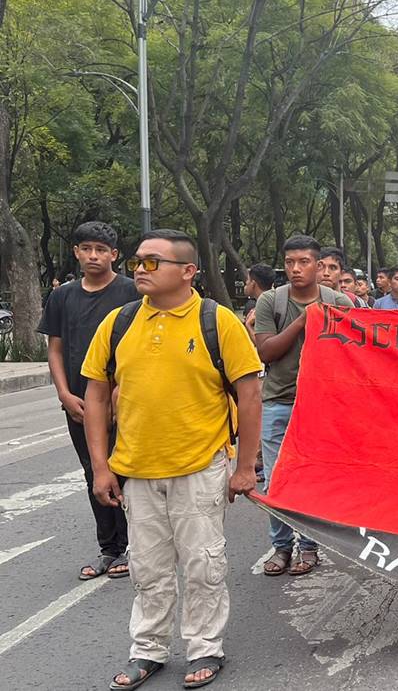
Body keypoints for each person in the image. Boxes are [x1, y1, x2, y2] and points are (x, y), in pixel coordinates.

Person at [82, 229, 262, 689]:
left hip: (200, 467)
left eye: (153, 261)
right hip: (137, 471)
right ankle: (148, 649)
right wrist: (102, 467)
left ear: (187, 271)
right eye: (139, 261)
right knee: (148, 568)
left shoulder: (217, 322)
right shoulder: (119, 322)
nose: (141, 269)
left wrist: (245, 466)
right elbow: (97, 396)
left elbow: (249, 394)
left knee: (203, 565)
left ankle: (205, 647)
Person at [38, 221, 141, 581]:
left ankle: (135, 546)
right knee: (93, 472)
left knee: (127, 472)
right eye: (87, 249)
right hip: (79, 403)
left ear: (114, 255)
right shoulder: (62, 296)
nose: (93, 256)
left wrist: (117, 396)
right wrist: (65, 395)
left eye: (101, 250)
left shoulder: (132, 292)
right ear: (76, 252)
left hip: (124, 400)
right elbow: (55, 348)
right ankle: (109, 548)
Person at [254, 235, 354, 578]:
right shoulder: (271, 301)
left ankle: (309, 546)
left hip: (322, 406)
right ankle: (280, 546)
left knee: (313, 478)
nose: (296, 269)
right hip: (279, 401)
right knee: (275, 479)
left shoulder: (340, 302)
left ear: (318, 264)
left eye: (304, 262)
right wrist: (303, 321)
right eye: (290, 263)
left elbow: (354, 355)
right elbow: (265, 352)